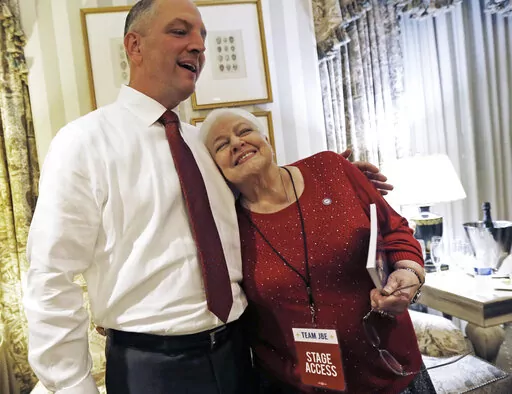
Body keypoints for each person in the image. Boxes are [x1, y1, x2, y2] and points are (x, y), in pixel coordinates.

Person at [22, 1, 393, 393]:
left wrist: (331, 179)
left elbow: (259, 198)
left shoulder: (203, 146)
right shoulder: (82, 143)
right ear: (135, 46)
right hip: (151, 369)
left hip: (241, 354)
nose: (198, 46)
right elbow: (50, 276)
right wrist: (71, 386)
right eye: (180, 32)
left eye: (203, 37)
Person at [199, 108, 436, 394]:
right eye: (222, 145)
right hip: (297, 386)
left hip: (391, 371)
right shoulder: (226, 226)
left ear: (265, 138)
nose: (237, 143)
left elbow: (394, 228)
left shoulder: (331, 168)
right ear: (214, 168)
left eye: (244, 131)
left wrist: (409, 272)